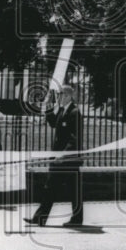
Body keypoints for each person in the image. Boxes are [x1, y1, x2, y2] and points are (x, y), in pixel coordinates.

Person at [25, 83, 84, 227]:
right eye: (58, 94)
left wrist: (63, 155)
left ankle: (75, 220)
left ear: (69, 96)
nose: (59, 97)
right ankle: (40, 218)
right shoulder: (63, 111)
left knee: (69, 190)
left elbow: (74, 138)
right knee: (52, 187)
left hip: (67, 160)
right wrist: (46, 107)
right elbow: (53, 123)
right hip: (59, 159)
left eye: (61, 94)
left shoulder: (75, 112)